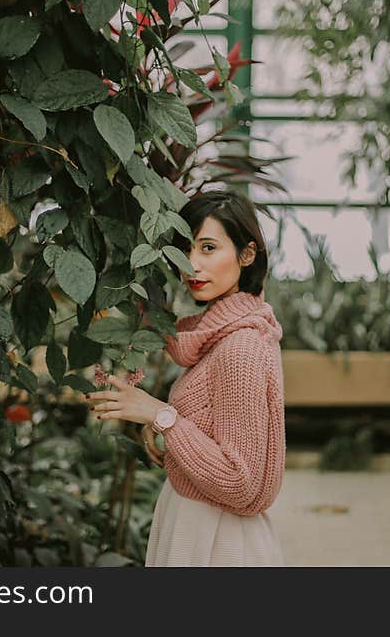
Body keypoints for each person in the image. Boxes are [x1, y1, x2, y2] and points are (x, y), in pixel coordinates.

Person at [84, 190, 286, 566]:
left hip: (218, 542)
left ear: (247, 254)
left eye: (208, 248)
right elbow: (215, 430)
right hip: (199, 524)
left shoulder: (240, 347)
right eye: (185, 249)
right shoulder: (220, 334)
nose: (192, 264)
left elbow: (241, 483)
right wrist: (168, 434)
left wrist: (162, 416)